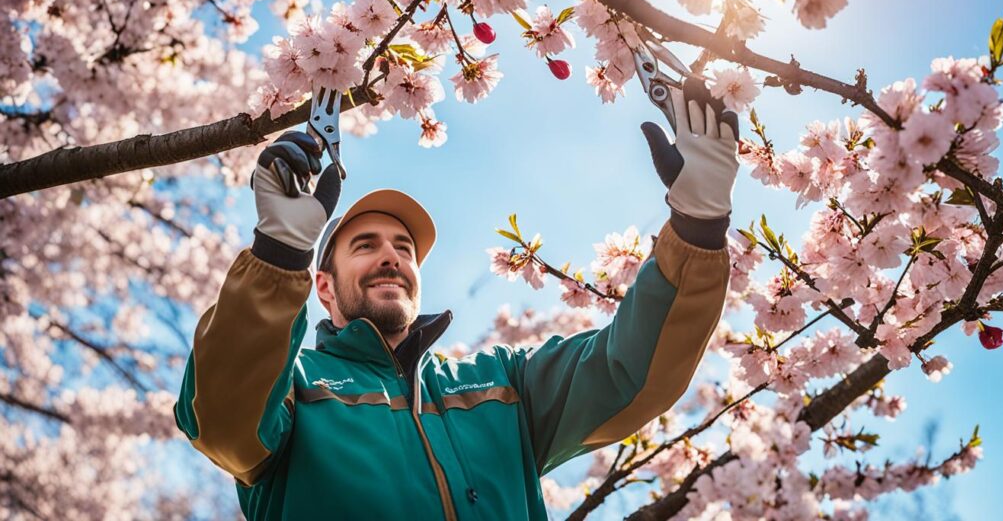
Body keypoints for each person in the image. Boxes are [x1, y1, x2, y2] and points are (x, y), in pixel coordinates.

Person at [173, 77, 740, 520]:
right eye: (365, 245)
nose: (390, 256)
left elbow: (631, 373)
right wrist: (278, 254)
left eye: (403, 247)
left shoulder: (503, 385)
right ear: (323, 285)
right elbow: (220, 421)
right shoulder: (294, 387)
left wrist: (698, 224)